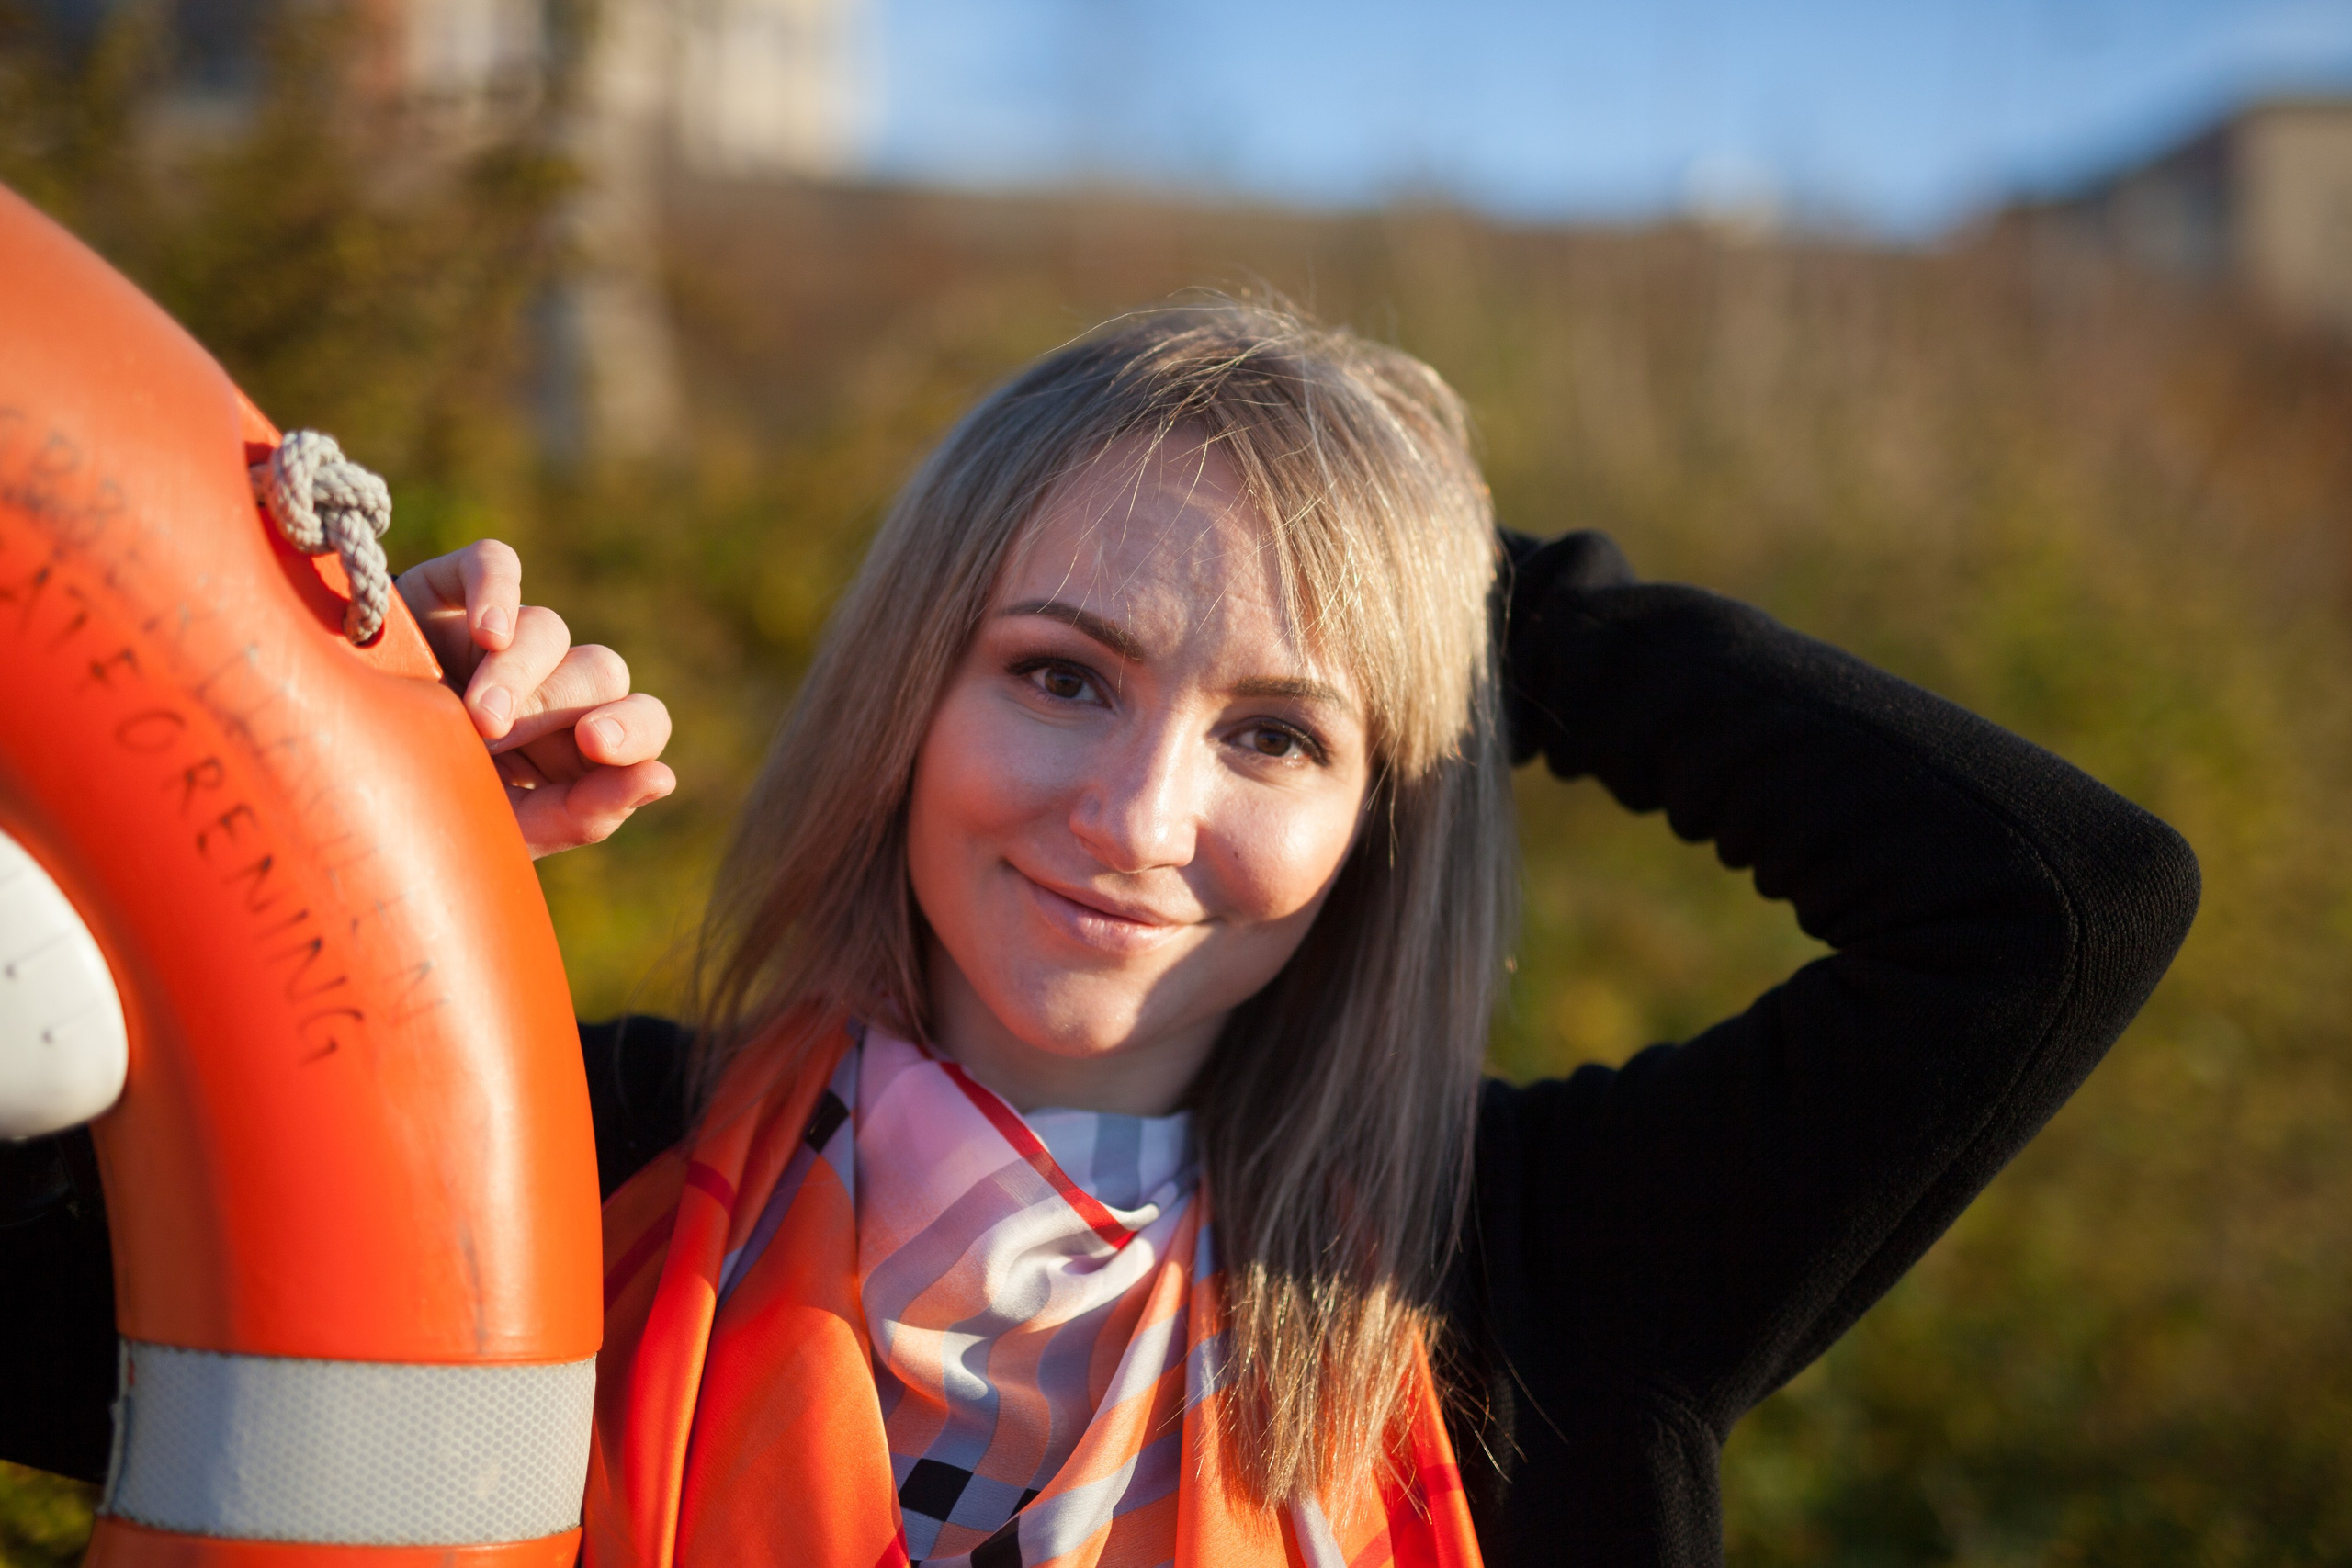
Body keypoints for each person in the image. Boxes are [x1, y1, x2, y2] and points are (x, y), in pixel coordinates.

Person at [0, 303, 2199, 1567]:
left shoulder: (1547, 1269)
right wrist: (368, 871)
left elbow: (2051, 899)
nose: (1135, 816)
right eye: (1059, 672)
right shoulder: (565, 1166)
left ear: (1387, 803)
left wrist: (1456, 578)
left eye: (1275, 731)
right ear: (908, 687)